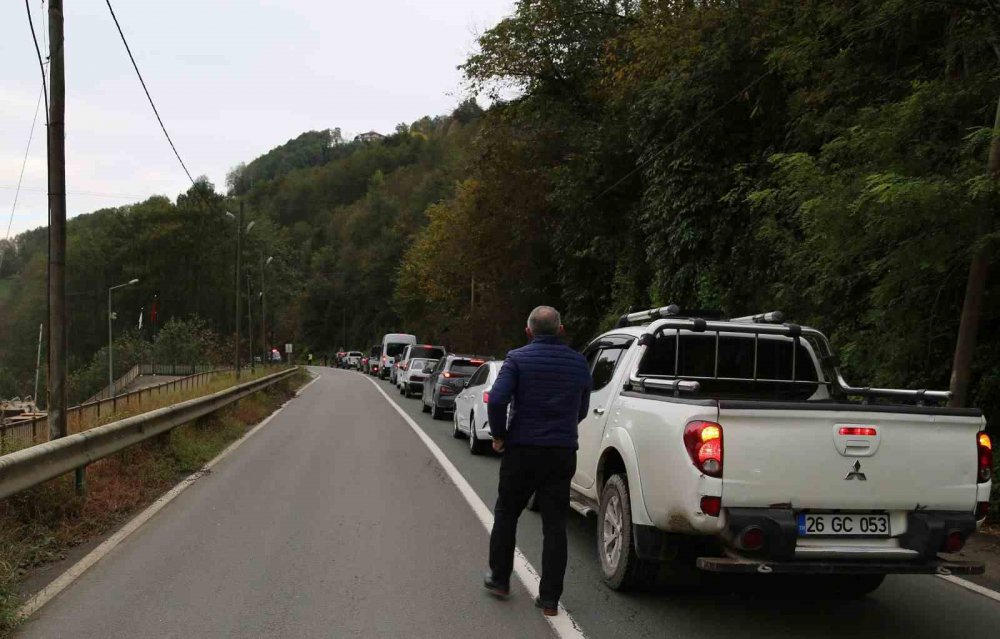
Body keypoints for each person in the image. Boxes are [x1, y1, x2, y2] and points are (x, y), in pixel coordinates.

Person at [483, 305, 591, 617]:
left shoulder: (517, 358)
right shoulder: (579, 362)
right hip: (561, 451)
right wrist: (564, 427)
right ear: (561, 330)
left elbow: (498, 397)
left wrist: (500, 434)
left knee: (506, 513)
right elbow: (582, 408)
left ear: (528, 332)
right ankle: (549, 600)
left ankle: (500, 579)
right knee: (555, 525)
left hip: (522, 449)